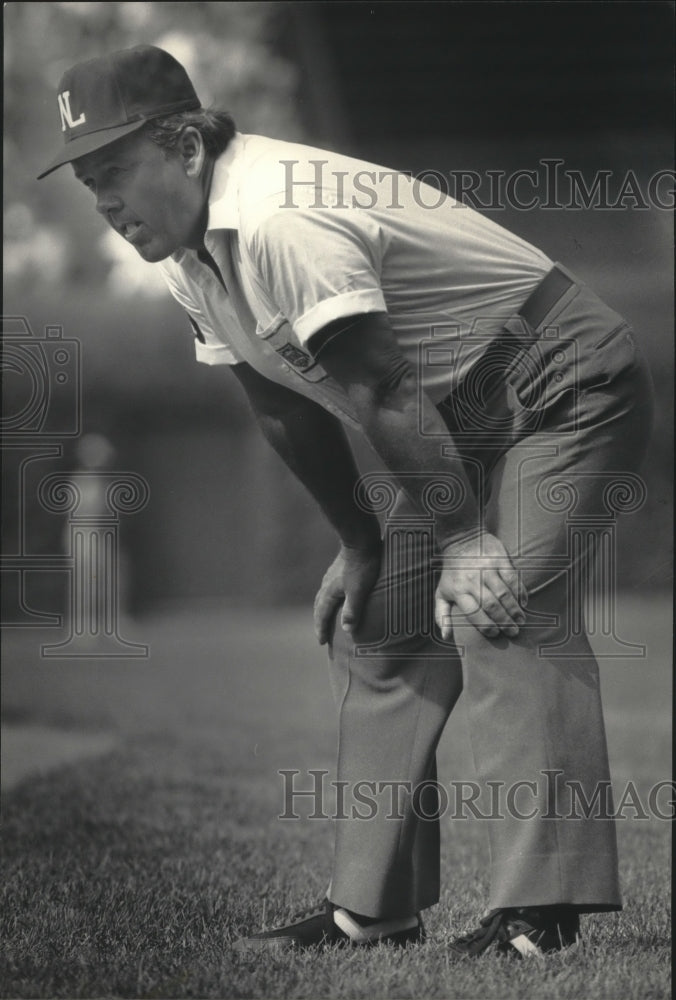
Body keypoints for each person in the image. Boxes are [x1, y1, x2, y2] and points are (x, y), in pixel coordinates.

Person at [39, 45, 654, 958]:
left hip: (559, 381)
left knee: (497, 607)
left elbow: (381, 390)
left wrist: (463, 543)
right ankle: (372, 911)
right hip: (461, 412)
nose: (106, 202)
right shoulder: (187, 254)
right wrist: (361, 543)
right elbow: (279, 397)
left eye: (117, 172)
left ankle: (541, 913)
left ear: (187, 148)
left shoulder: (282, 214)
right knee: (376, 625)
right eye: (91, 183)